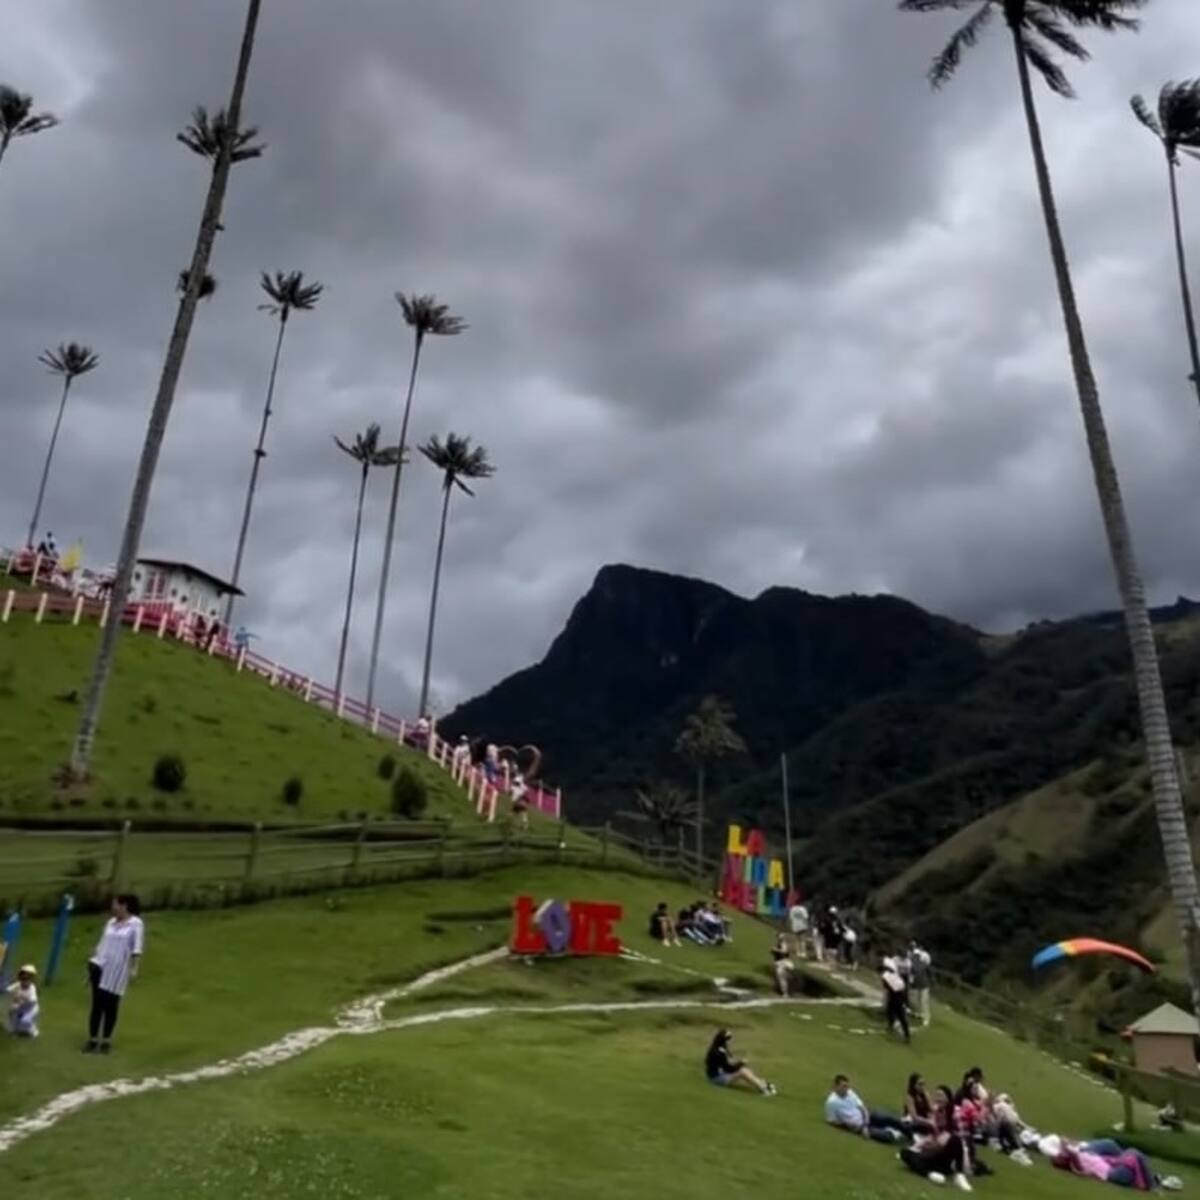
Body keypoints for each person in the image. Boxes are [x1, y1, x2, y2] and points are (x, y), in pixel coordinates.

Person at [85, 893, 145, 1053]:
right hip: (99, 966)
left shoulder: (135, 924)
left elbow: (137, 947)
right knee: (97, 1005)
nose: (113, 907)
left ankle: (106, 1040)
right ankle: (92, 1040)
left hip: (117, 970)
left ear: (124, 906)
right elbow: (102, 943)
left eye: (115, 904)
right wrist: (92, 962)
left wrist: (134, 968)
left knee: (110, 1005)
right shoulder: (110, 922)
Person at [824, 1074, 908, 1143]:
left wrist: (865, 1123)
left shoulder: (850, 1093)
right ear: (836, 1086)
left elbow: (862, 1107)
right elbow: (832, 1121)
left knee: (890, 1119)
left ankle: (910, 1133)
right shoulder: (832, 1102)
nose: (846, 1089)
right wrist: (852, 1129)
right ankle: (892, 1131)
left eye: (847, 1086)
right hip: (859, 1126)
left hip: (867, 1115)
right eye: (844, 1086)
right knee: (887, 1137)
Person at [704, 1028, 776, 1095]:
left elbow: (726, 1063)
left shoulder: (720, 1048)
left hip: (720, 1074)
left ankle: (762, 1084)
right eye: (729, 1038)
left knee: (744, 1069)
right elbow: (728, 1069)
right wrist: (741, 1063)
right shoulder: (719, 1052)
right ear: (724, 1040)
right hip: (717, 1078)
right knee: (742, 1071)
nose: (731, 1040)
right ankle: (763, 1088)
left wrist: (739, 1064)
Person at [881, 957, 910, 1043]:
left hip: (897, 997)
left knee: (901, 1016)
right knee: (890, 1011)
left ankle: (907, 1036)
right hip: (896, 996)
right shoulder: (892, 975)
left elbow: (889, 986)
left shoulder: (889, 976)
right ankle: (891, 1025)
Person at [6, 964, 40, 1038]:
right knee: (13, 1016)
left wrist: (21, 1001)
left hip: (30, 1009)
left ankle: (33, 1031)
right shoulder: (17, 985)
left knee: (25, 1021)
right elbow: (8, 990)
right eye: (23, 978)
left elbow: (32, 1001)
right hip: (19, 1007)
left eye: (28, 979)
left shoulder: (32, 988)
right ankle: (14, 1030)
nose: (25, 981)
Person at [909, 940, 932, 1026]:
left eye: (916, 956)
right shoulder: (911, 963)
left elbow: (926, 971)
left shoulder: (922, 963)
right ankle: (917, 1013)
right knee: (913, 1000)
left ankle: (926, 1018)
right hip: (915, 984)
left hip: (923, 985)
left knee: (923, 1002)